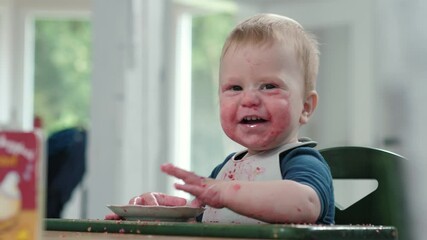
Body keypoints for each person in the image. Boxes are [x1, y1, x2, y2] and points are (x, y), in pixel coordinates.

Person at [106, 13, 334, 224]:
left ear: (305, 107)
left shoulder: (300, 161)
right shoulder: (225, 170)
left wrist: (226, 192)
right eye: (235, 87)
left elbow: (306, 204)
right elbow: (204, 219)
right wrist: (158, 214)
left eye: (269, 86)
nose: (249, 99)